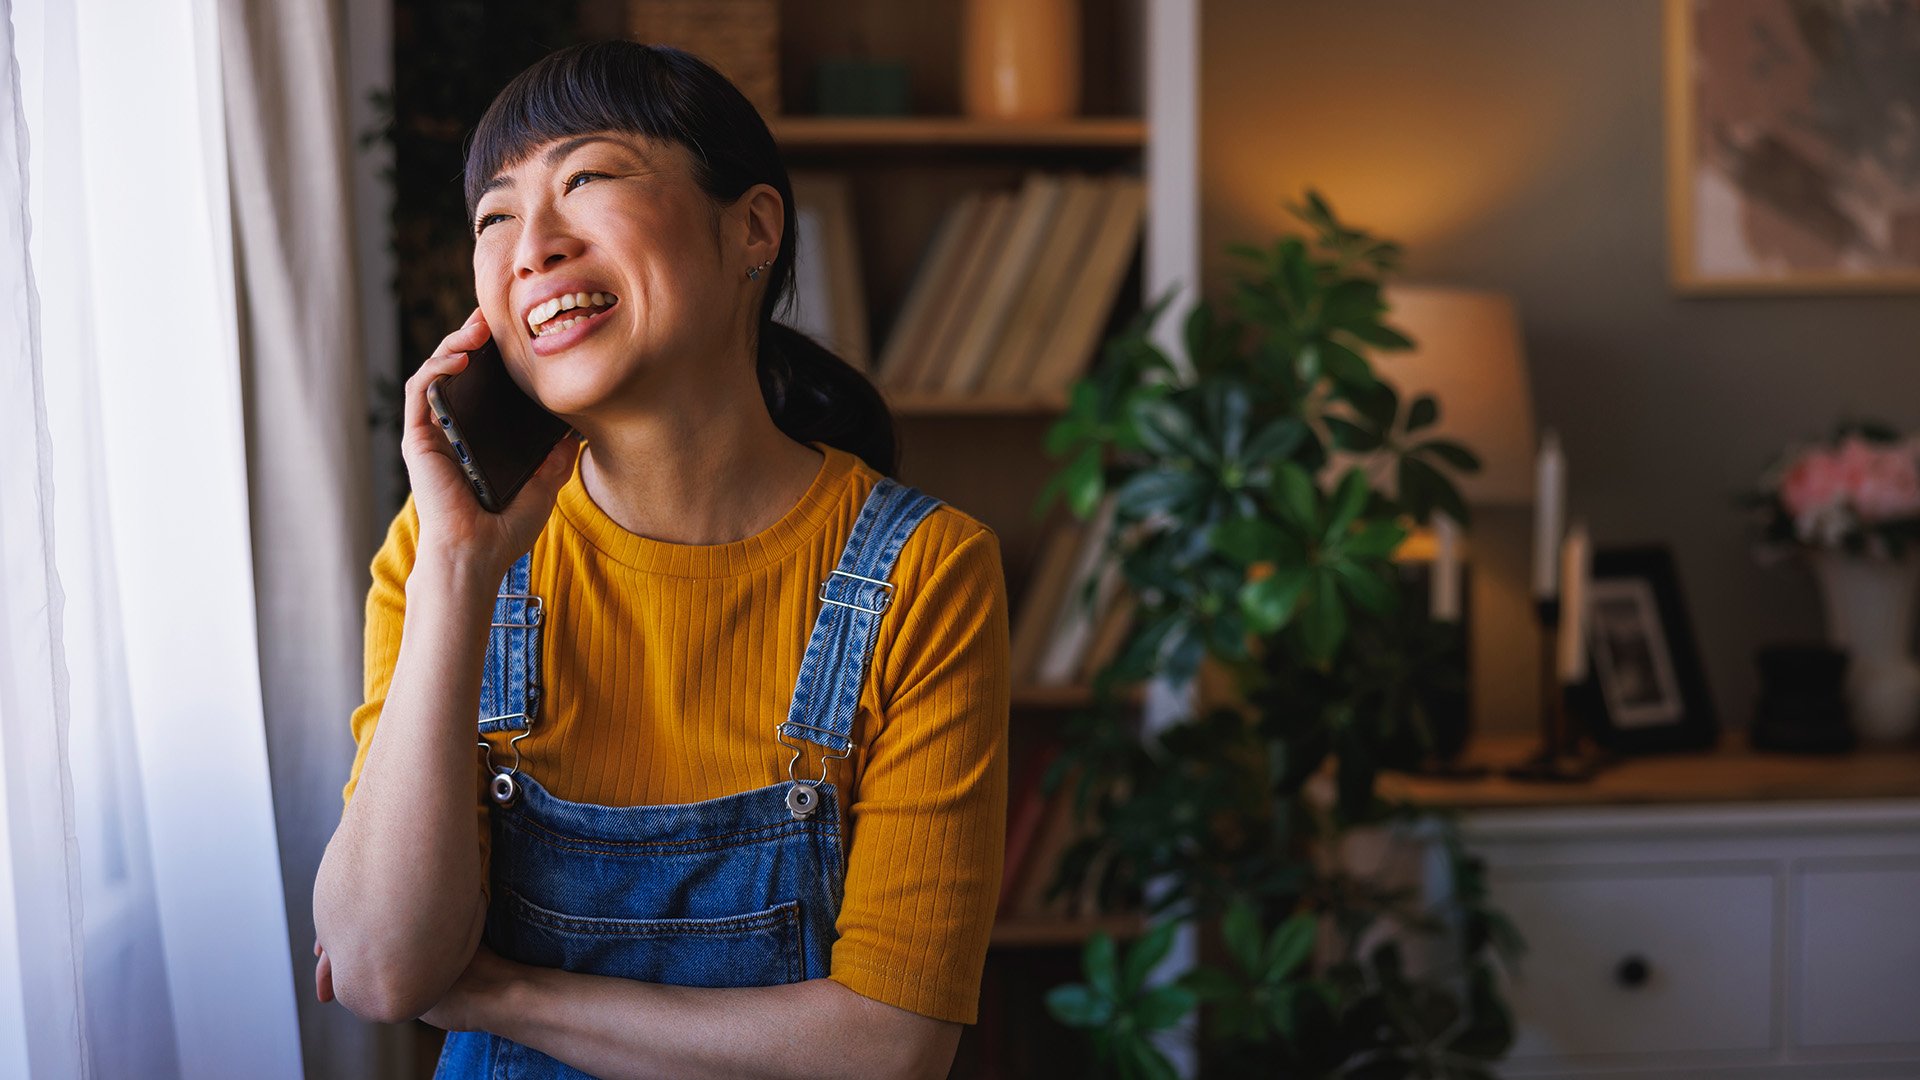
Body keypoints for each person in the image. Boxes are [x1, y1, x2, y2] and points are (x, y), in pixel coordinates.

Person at [312, 40, 1010, 1079]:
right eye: (494, 217)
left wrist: (499, 992)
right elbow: (377, 970)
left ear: (754, 230)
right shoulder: (436, 553)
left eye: (585, 179)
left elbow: (889, 1049)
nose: (529, 246)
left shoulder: (928, 572)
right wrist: (461, 573)